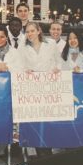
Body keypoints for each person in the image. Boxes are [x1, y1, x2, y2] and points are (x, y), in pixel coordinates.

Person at [20, 22, 62, 157]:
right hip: (33, 89)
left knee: (48, 120)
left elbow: (59, 61)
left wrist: (57, 69)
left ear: (39, 31)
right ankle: (39, 152)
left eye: (32, 31)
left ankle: (48, 150)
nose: (30, 34)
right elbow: (20, 66)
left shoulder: (51, 44)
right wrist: (25, 71)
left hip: (49, 88)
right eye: (27, 32)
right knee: (36, 120)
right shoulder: (23, 47)